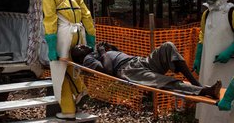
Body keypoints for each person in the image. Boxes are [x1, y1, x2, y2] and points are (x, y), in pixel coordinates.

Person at [71, 42, 222, 99]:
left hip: (138, 61)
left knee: (167, 47)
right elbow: (108, 71)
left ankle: (196, 83)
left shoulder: (95, 52)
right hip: (128, 70)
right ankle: (203, 92)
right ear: (81, 55)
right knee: (165, 82)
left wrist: (109, 48)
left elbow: (117, 54)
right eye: (80, 47)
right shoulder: (88, 59)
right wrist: (103, 52)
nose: (83, 45)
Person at [190, 0, 234, 123]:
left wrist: (230, 51)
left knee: (227, 94)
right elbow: (202, 36)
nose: (211, 3)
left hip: (228, 65)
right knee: (206, 92)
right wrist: (198, 57)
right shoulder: (206, 14)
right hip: (209, 63)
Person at [40, 0, 96, 120]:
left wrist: (51, 47)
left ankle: (68, 110)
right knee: (72, 66)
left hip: (63, 33)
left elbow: (50, 19)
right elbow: (87, 16)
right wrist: (91, 40)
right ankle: (80, 90)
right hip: (79, 32)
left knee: (59, 73)